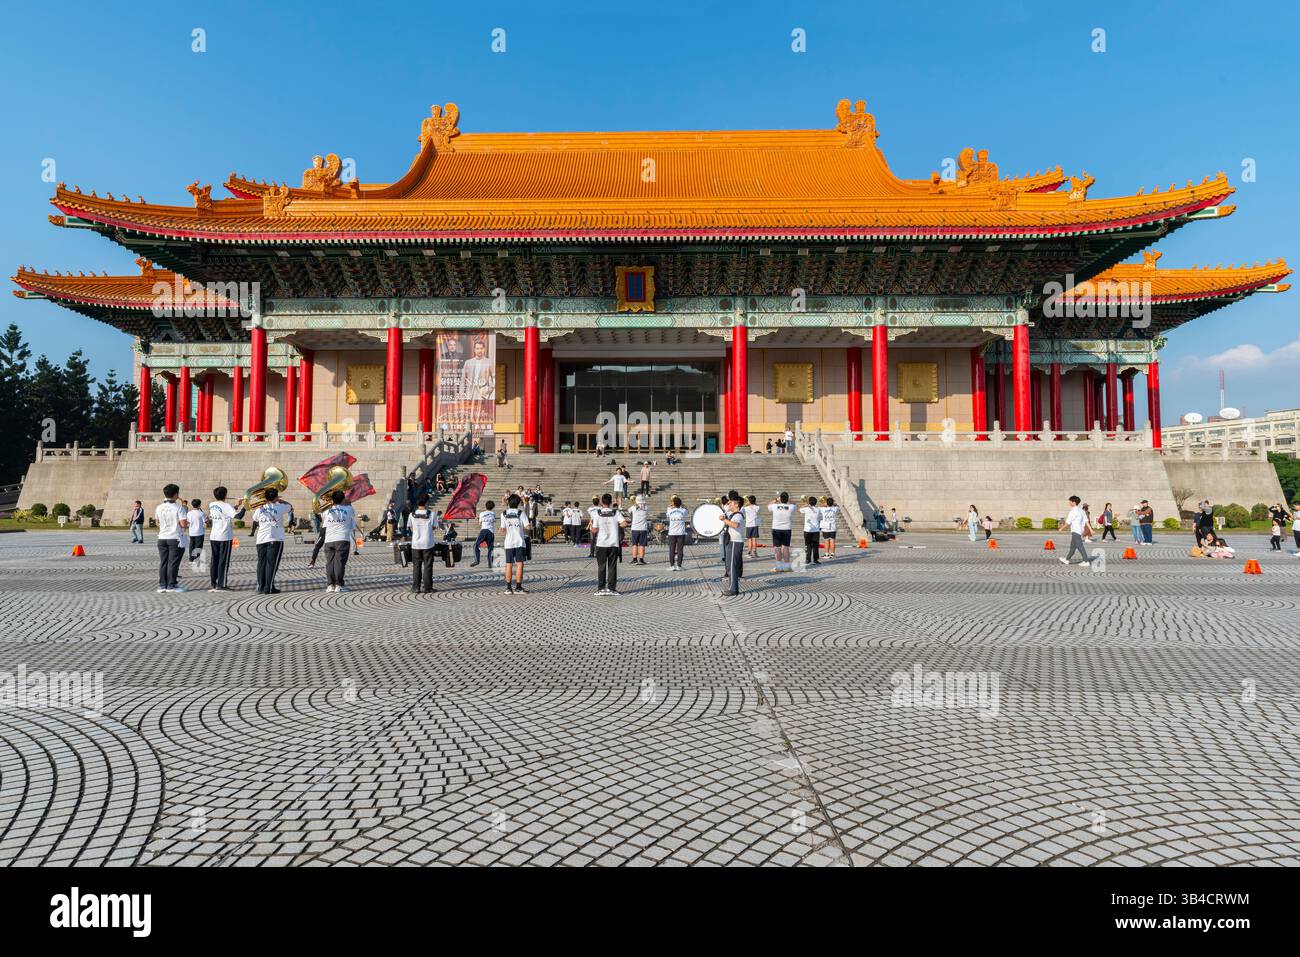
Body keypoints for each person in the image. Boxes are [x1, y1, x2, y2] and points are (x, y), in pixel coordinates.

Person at [251, 488, 291, 594]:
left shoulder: (259, 508)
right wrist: (281, 501)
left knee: (261, 563)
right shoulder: (280, 507)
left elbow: (255, 519)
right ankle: (268, 588)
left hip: (261, 539)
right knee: (271, 564)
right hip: (275, 539)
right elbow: (290, 507)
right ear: (276, 497)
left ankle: (260, 586)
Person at [319, 489, 358, 593]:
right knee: (339, 563)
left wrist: (329, 503)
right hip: (342, 539)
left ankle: (330, 585)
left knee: (329, 563)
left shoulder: (326, 510)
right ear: (343, 499)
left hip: (329, 540)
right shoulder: (349, 509)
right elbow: (353, 512)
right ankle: (339, 585)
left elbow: (322, 517)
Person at [206, 486, 244, 592]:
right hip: (225, 537)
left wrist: (237, 505)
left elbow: (226, 513)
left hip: (214, 536)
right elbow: (238, 516)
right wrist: (245, 507)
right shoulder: (226, 505)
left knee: (215, 560)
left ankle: (213, 583)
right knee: (224, 561)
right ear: (226, 495)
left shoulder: (212, 504)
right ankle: (221, 585)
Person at [590, 493, 626, 596]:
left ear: (602, 502)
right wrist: (615, 525)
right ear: (610, 502)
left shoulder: (597, 513)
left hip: (601, 543)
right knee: (612, 566)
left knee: (601, 566)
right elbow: (624, 524)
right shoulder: (616, 512)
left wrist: (592, 526)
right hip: (613, 543)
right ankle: (611, 588)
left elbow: (594, 530)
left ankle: (601, 588)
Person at [155, 484, 188, 593]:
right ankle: (171, 585)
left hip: (162, 537)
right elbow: (183, 524)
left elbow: (157, 522)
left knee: (163, 562)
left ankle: (162, 585)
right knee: (173, 562)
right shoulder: (179, 508)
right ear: (176, 495)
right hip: (175, 538)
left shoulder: (159, 507)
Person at [407, 493, 439, 594]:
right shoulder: (432, 514)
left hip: (416, 543)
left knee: (416, 566)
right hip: (428, 543)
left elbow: (411, 528)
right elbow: (434, 527)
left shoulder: (411, 515)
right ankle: (427, 587)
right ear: (426, 502)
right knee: (428, 565)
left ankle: (416, 587)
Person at [501, 494, 528, 594]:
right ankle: (518, 588)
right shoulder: (521, 513)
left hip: (508, 542)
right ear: (517, 503)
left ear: (509, 502)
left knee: (508, 565)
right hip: (519, 542)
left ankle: (508, 588)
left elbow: (502, 529)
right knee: (519, 564)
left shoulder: (503, 513)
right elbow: (527, 527)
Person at [720, 494, 746, 595]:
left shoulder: (738, 515)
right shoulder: (733, 514)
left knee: (732, 566)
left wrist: (724, 520)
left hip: (735, 542)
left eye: (730, 503)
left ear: (736, 504)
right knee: (729, 566)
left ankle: (733, 589)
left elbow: (735, 525)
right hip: (732, 541)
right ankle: (733, 588)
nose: (729, 505)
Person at [1060, 495, 1092, 566]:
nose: (1069, 502)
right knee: (1072, 547)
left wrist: (1061, 528)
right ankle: (1067, 559)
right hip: (1079, 531)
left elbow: (1068, 522)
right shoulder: (1081, 511)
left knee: (1080, 546)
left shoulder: (1073, 511)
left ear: (1073, 502)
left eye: (1070, 501)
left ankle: (1086, 561)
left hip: (1075, 531)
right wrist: (1091, 530)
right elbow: (1086, 521)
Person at [769, 492, 795, 571]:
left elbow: (769, 504)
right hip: (787, 529)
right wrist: (790, 500)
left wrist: (777, 499)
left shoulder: (774, 506)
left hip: (776, 528)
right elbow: (795, 504)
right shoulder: (791, 507)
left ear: (780, 498)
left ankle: (778, 566)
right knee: (786, 547)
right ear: (787, 499)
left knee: (777, 547)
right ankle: (787, 566)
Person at [471, 500, 497, 567]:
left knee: (476, 545)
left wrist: (478, 519)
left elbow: (480, 524)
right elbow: (494, 521)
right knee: (490, 548)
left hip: (484, 531)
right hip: (491, 531)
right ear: (493, 507)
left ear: (485, 506)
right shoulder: (493, 514)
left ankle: (477, 560)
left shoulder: (482, 514)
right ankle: (490, 563)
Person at [666, 495, 688, 570]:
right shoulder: (683, 510)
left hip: (672, 533)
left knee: (671, 549)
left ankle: (672, 565)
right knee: (680, 550)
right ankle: (679, 565)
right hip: (681, 533)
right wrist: (682, 505)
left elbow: (668, 512)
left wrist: (672, 505)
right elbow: (686, 509)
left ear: (674, 503)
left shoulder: (669, 510)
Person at [800, 495, 822, 566]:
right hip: (816, 530)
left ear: (809, 502)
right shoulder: (818, 509)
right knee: (815, 546)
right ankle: (816, 560)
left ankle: (808, 559)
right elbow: (820, 518)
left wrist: (805, 505)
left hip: (807, 530)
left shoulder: (806, 509)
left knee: (808, 545)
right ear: (816, 503)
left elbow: (799, 510)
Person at [628, 495, 649, 565]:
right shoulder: (646, 507)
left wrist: (633, 504)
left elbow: (629, 511)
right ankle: (641, 559)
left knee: (634, 544)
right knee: (642, 545)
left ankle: (634, 559)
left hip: (635, 528)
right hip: (643, 528)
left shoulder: (633, 507)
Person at [186, 498, 207, 564]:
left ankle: (191, 559)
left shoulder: (189, 513)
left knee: (191, 546)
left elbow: (188, 522)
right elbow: (206, 521)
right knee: (198, 546)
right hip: (200, 532)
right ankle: (196, 559)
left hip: (191, 532)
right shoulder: (201, 513)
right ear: (199, 505)